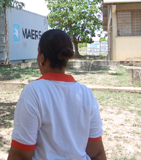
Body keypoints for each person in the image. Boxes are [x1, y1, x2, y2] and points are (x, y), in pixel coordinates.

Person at [8, 29, 106, 160]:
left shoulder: (34, 92)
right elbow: (97, 152)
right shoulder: (87, 94)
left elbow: (20, 154)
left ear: (42, 58)